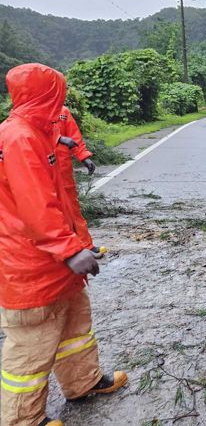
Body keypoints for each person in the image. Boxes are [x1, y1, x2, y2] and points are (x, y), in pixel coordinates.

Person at [0, 63, 127, 426]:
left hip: (54, 260)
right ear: (43, 94)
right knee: (30, 348)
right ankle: (23, 421)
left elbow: (59, 196)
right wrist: (70, 250)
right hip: (32, 266)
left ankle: (83, 383)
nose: (62, 101)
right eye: (57, 94)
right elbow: (34, 204)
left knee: (74, 326)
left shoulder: (37, 132)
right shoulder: (19, 137)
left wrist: (65, 143)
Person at [56, 106, 106, 259]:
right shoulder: (27, 111)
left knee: (72, 209)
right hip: (38, 170)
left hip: (63, 170)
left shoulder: (62, 112)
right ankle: (56, 251)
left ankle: (85, 246)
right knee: (46, 211)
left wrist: (83, 156)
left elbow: (73, 135)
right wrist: (57, 139)